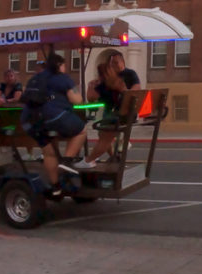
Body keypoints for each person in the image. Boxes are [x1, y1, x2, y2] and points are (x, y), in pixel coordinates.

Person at [21, 53, 87, 187]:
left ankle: (55, 186)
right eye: (64, 65)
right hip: (55, 117)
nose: (65, 68)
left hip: (31, 122)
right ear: (59, 65)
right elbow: (77, 100)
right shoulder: (63, 79)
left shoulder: (34, 79)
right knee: (81, 131)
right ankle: (67, 162)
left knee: (49, 153)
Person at [76, 49, 141, 168]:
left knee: (105, 133)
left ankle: (89, 160)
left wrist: (122, 89)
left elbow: (136, 92)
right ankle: (114, 156)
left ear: (123, 62)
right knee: (100, 129)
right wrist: (91, 87)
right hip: (110, 112)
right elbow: (92, 98)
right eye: (112, 63)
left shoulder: (130, 74)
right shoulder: (107, 78)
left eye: (116, 63)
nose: (114, 66)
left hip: (123, 113)